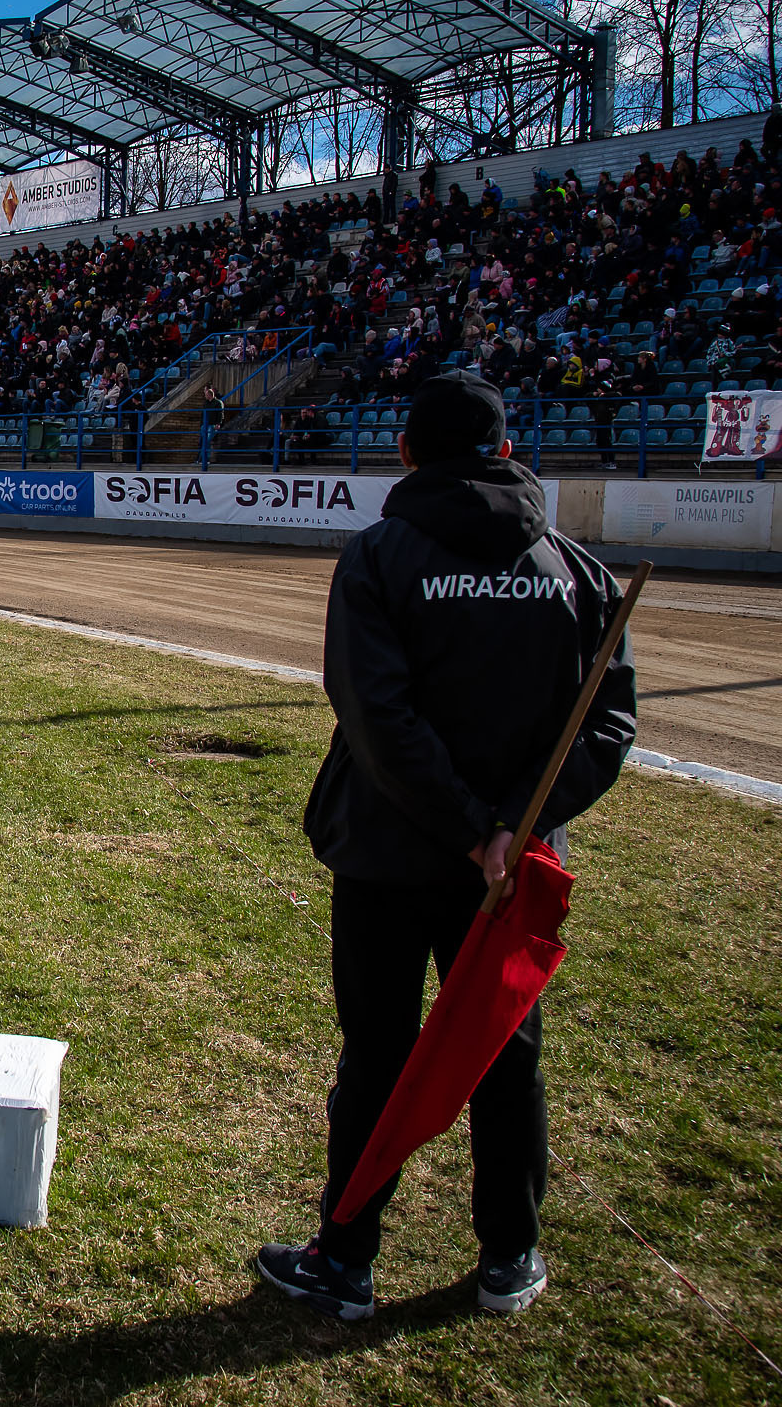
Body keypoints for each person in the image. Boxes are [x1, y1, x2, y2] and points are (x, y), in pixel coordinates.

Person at [257, 371, 637, 1322]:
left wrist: (473, 826)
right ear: (507, 451)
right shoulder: (579, 572)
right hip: (510, 875)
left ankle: (345, 1260)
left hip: (389, 855)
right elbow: (609, 727)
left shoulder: (381, 554)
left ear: (405, 454)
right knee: (506, 1057)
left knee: (376, 1056)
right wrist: (505, 828)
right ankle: (511, 1254)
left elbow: (376, 716)